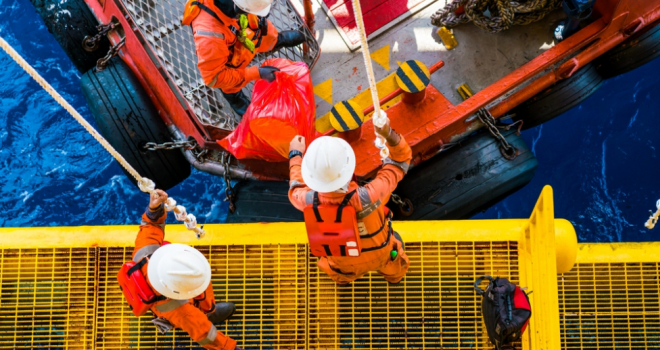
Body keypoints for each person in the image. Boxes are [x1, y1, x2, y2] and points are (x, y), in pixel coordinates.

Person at [287, 120, 412, 284]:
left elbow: (295, 187)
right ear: (348, 167)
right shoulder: (371, 195)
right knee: (394, 247)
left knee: (339, 270)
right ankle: (395, 278)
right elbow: (400, 162)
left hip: (343, 265)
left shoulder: (307, 200)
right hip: (381, 256)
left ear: (312, 175)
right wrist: (389, 134)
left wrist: (295, 156)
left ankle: (344, 281)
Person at [132, 189, 245, 350]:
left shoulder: (144, 253)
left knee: (197, 304)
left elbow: (150, 227)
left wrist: (154, 208)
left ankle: (208, 310)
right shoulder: (179, 310)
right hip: (172, 311)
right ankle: (206, 313)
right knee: (196, 320)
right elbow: (207, 335)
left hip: (158, 293)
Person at [182, 0, 306, 115]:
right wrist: (256, 73)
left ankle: (275, 40)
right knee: (229, 79)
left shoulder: (239, 5)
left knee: (257, 25)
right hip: (227, 56)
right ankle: (235, 97)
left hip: (238, 21)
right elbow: (214, 77)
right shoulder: (210, 39)